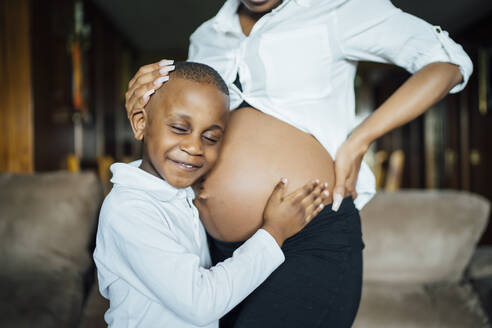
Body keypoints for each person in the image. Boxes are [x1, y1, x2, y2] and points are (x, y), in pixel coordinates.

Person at [124, 0, 473, 327]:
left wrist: (360, 139)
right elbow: (187, 133)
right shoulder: (205, 37)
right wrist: (142, 105)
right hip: (217, 254)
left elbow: (448, 64)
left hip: (306, 238)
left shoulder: (336, 10)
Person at [93, 62, 330, 328]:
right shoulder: (128, 210)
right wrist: (274, 231)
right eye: (180, 129)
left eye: (211, 137)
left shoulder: (179, 195)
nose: (194, 147)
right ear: (140, 123)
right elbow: (200, 303)